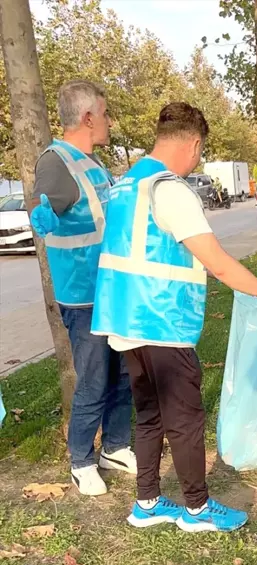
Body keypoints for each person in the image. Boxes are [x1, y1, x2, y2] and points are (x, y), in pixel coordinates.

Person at [91, 102, 257, 532]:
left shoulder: (126, 185)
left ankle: (146, 503)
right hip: (161, 319)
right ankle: (197, 509)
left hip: (125, 321)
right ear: (194, 143)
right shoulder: (170, 189)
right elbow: (216, 262)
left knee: (150, 415)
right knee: (185, 418)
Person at [30, 80, 135, 496]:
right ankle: (81, 459)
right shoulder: (56, 162)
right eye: (106, 113)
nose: (109, 121)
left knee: (123, 374)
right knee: (94, 379)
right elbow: (43, 207)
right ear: (88, 118)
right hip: (83, 295)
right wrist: (43, 218)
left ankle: (115, 445)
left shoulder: (93, 162)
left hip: (111, 290)